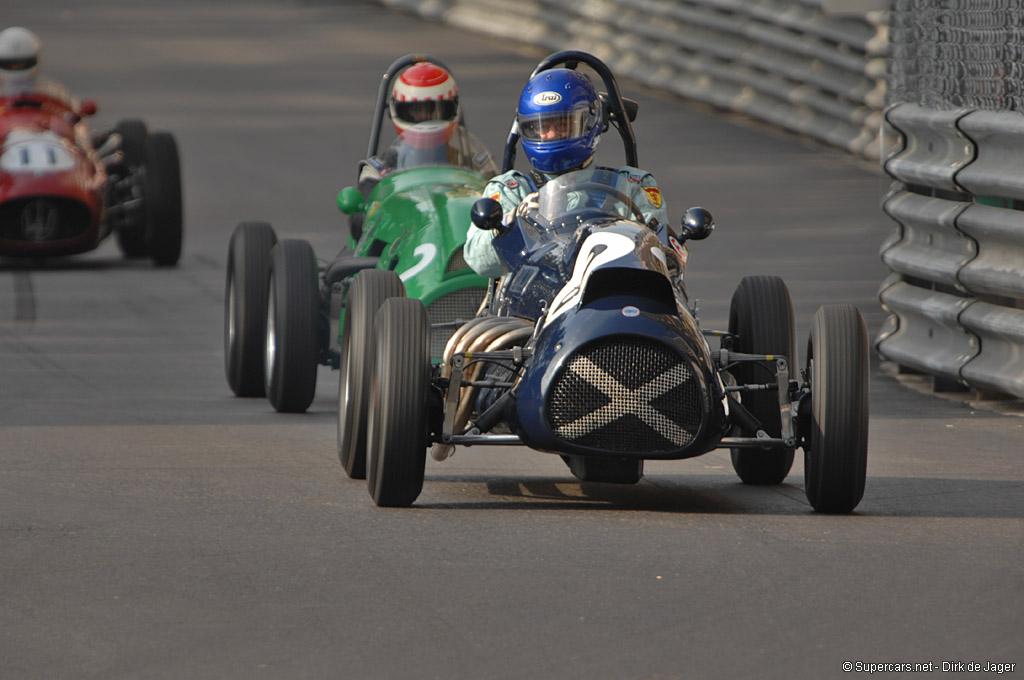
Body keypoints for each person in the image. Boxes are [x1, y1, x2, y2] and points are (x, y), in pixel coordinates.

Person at [464, 67, 668, 278]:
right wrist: (513, 221)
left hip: (611, 293)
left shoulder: (631, 186)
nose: (551, 134)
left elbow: (660, 257)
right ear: (527, 128)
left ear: (590, 123)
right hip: (535, 303)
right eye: (543, 126)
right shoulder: (511, 191)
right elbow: (479, 262)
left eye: (562, 124)